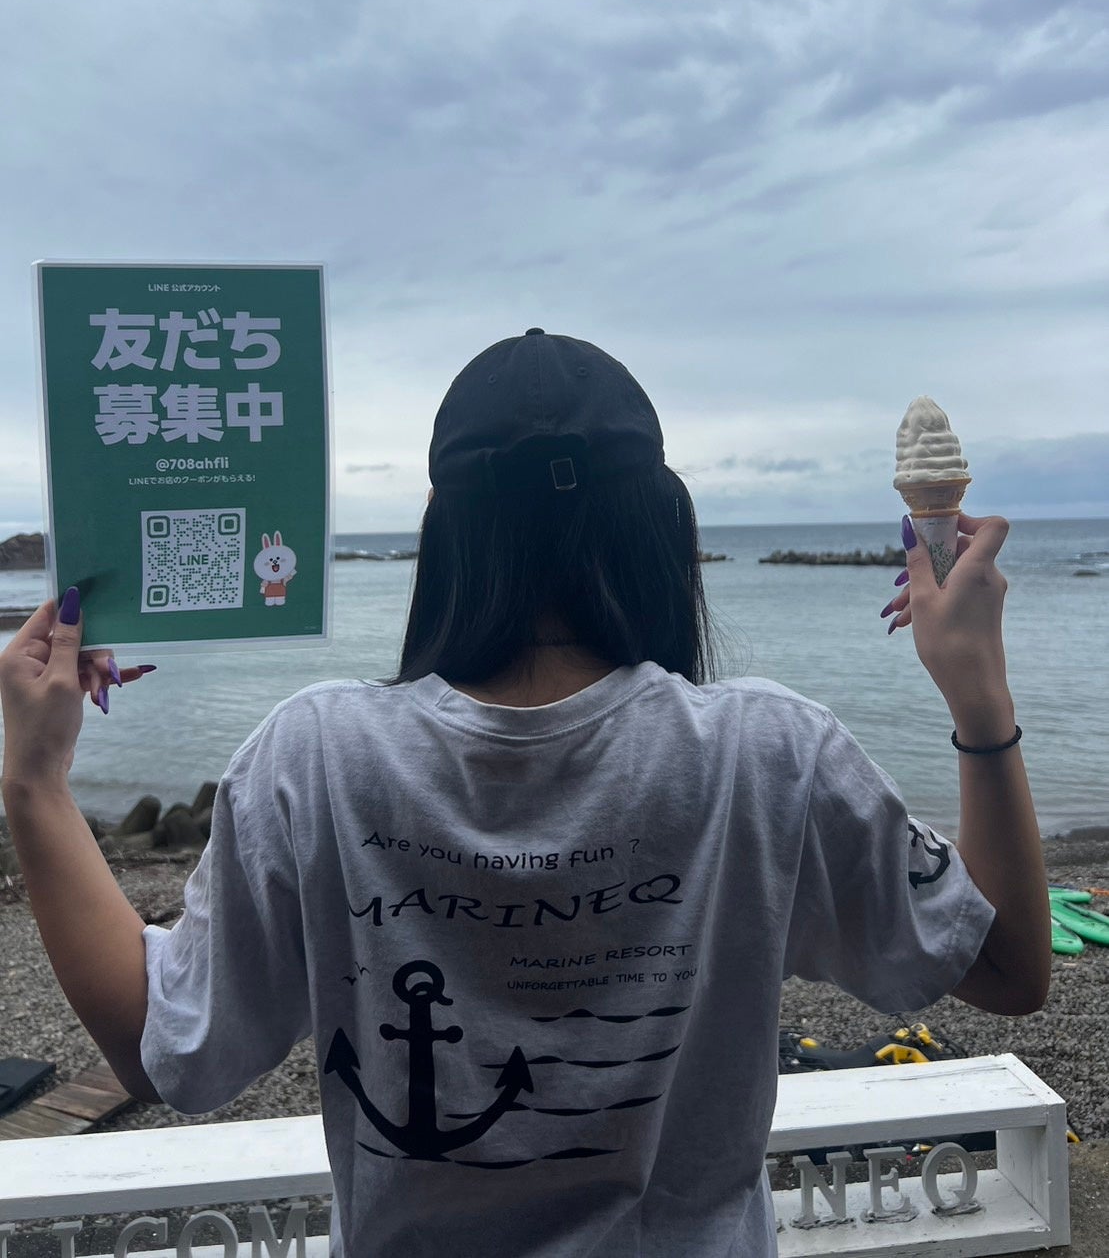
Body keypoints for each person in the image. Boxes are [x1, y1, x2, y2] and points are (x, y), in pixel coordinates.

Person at [0, 329, 1050, 1256]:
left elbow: (162, 1051)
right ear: (660, 519)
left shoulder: (312, 756)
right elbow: (1006, 967)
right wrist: (975, 689)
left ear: (442, 526)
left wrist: (35, 780)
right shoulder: (767, 753)